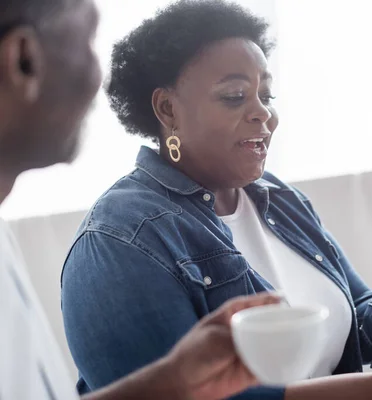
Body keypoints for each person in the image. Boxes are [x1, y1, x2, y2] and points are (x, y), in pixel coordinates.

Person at [60, 0, 372, 399]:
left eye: (266, 96)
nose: (264, 115)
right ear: (167, 108)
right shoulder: (120, 241)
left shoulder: (276, 199)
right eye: (235, 97)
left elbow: (360, 316)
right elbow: (190, 396)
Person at [0, 0, 283, 399]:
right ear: (23, 59)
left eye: (266, 95)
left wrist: (173, 382)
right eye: (89, 40)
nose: (99, 78)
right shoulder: (119, 234)